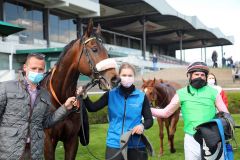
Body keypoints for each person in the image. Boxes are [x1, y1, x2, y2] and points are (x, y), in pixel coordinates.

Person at [0, 53, 78, 160]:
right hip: (9, 152)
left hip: (34, 152)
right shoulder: (6, 87)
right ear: (25, 68)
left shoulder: (45, 94)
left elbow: (46, 122)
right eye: (33, 68)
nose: (37, 72)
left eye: (40, 69)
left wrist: (65, 107)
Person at [151, 61, 229, 160]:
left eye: (202, 75)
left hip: (212, 137)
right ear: (190, 76)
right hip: (191, 139)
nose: (200, 77)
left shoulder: (214, 92)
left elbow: (226, 114)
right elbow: (166, 112)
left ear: (205, 77)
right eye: (196, 74)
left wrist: (223, 132)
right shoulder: (181, 93)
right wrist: (147, 109)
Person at [77, 62, 153, 160]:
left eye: (130, 75)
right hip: (114, 144)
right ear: (119, 76)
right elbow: (92, 108)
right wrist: (85, 96)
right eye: (124, 75)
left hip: (136, 145)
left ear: (134, 77)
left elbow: (149, 120)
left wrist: (142, 126)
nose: (127, 78)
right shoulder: (110, 94)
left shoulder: (141, 97)